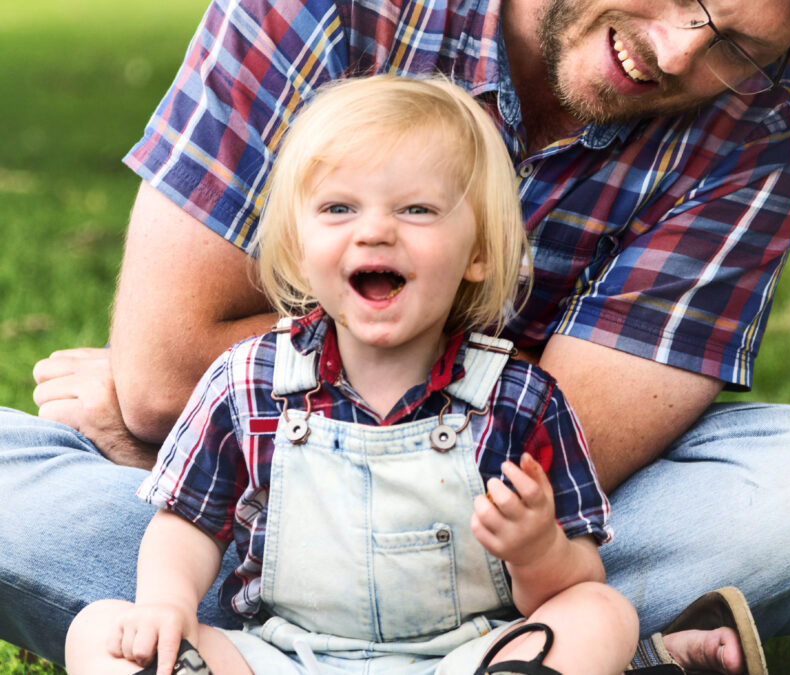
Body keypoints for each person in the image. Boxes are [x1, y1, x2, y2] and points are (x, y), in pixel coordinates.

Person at [4, 0, 790, 672]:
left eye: (737, 47)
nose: (675, 50)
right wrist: (192, 442)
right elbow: (167, 372)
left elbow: (573, 447)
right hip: (264, 541)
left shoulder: (766, 123)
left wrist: (169, 426)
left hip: (498, 557)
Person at [64, 75, 640, 675]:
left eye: (417, 209)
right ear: (297, 243)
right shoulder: (246, 381)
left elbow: (576, 575)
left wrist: (538, 549)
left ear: (479, 254)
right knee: (99, 631)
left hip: (466, 658)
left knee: (601, 611)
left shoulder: (520, 400)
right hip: (281, 656)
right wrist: (166, 603)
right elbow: (186, 524)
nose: (374, 230)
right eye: (339, 208)